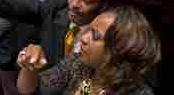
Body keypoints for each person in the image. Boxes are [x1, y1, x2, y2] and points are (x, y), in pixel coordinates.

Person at [17, 6, 161, 95]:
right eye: (88, 30)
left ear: (120, 50)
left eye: (95, 36)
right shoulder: (78, 62)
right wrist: (29, 66)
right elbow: (32, 89)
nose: (83, 39)